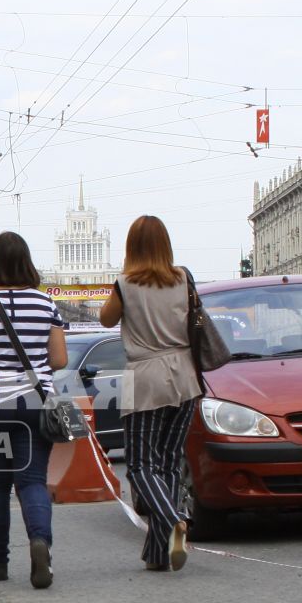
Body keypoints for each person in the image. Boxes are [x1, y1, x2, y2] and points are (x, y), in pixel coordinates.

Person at [0, 232, 68, 588]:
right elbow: (59, 358)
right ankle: (40, 543)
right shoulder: (47, 304)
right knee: (32, 481)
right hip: (34, 405)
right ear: (26, 261)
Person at [99, 216, 204, 572]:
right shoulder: (184, 279)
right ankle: (159, 553)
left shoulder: (125, 284)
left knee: (142, 465)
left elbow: (105, 320)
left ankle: (176, 517)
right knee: (170, 461)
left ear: (132, 247)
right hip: (186, 377)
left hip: (143, 377)